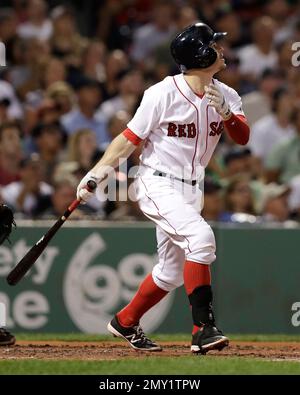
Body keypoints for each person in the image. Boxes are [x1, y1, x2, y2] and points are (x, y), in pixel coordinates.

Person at [76, 23, 250, 354]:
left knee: (170, 273)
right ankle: (203, 328)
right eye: (215, 45)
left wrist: (226, 113)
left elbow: (242, 137)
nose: (221, 49)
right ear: (201, 54)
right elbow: (129, 140)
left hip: (191, 189)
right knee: (201, 239)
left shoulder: (227, 95)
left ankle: (125, 321)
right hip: (157, 181)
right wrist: (98, 172)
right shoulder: (162, 93)